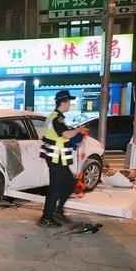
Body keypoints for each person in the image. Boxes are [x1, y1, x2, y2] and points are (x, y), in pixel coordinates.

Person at [39, 90, 89, 227]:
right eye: (69, 102)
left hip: (59, 159)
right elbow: (66, 134)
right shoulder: (57, 118)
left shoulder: (57, 117)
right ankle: (46, 217)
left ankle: (57, 210)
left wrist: (75, 142)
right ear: (63, 102)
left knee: (69, 183)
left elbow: (61, 138)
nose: (70, 105)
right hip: (56, 160)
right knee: (55, 188)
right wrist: (78, 130)